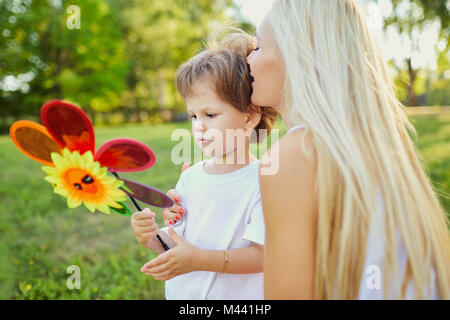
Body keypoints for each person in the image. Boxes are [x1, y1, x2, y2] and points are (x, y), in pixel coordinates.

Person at [246, 0, 449, 299]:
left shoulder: (293, 156)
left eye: (259, 46)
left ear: (298, 56)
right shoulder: (378, 146)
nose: (248, 58)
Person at [131, 28, 278, 299]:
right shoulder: (191, 177)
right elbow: (178, 246)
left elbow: (262, 256)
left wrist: (198, 259)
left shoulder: (263, 180)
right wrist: (150, 236)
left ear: (249, 117)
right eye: (193, 116)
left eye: (210, 114)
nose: (199, 127)